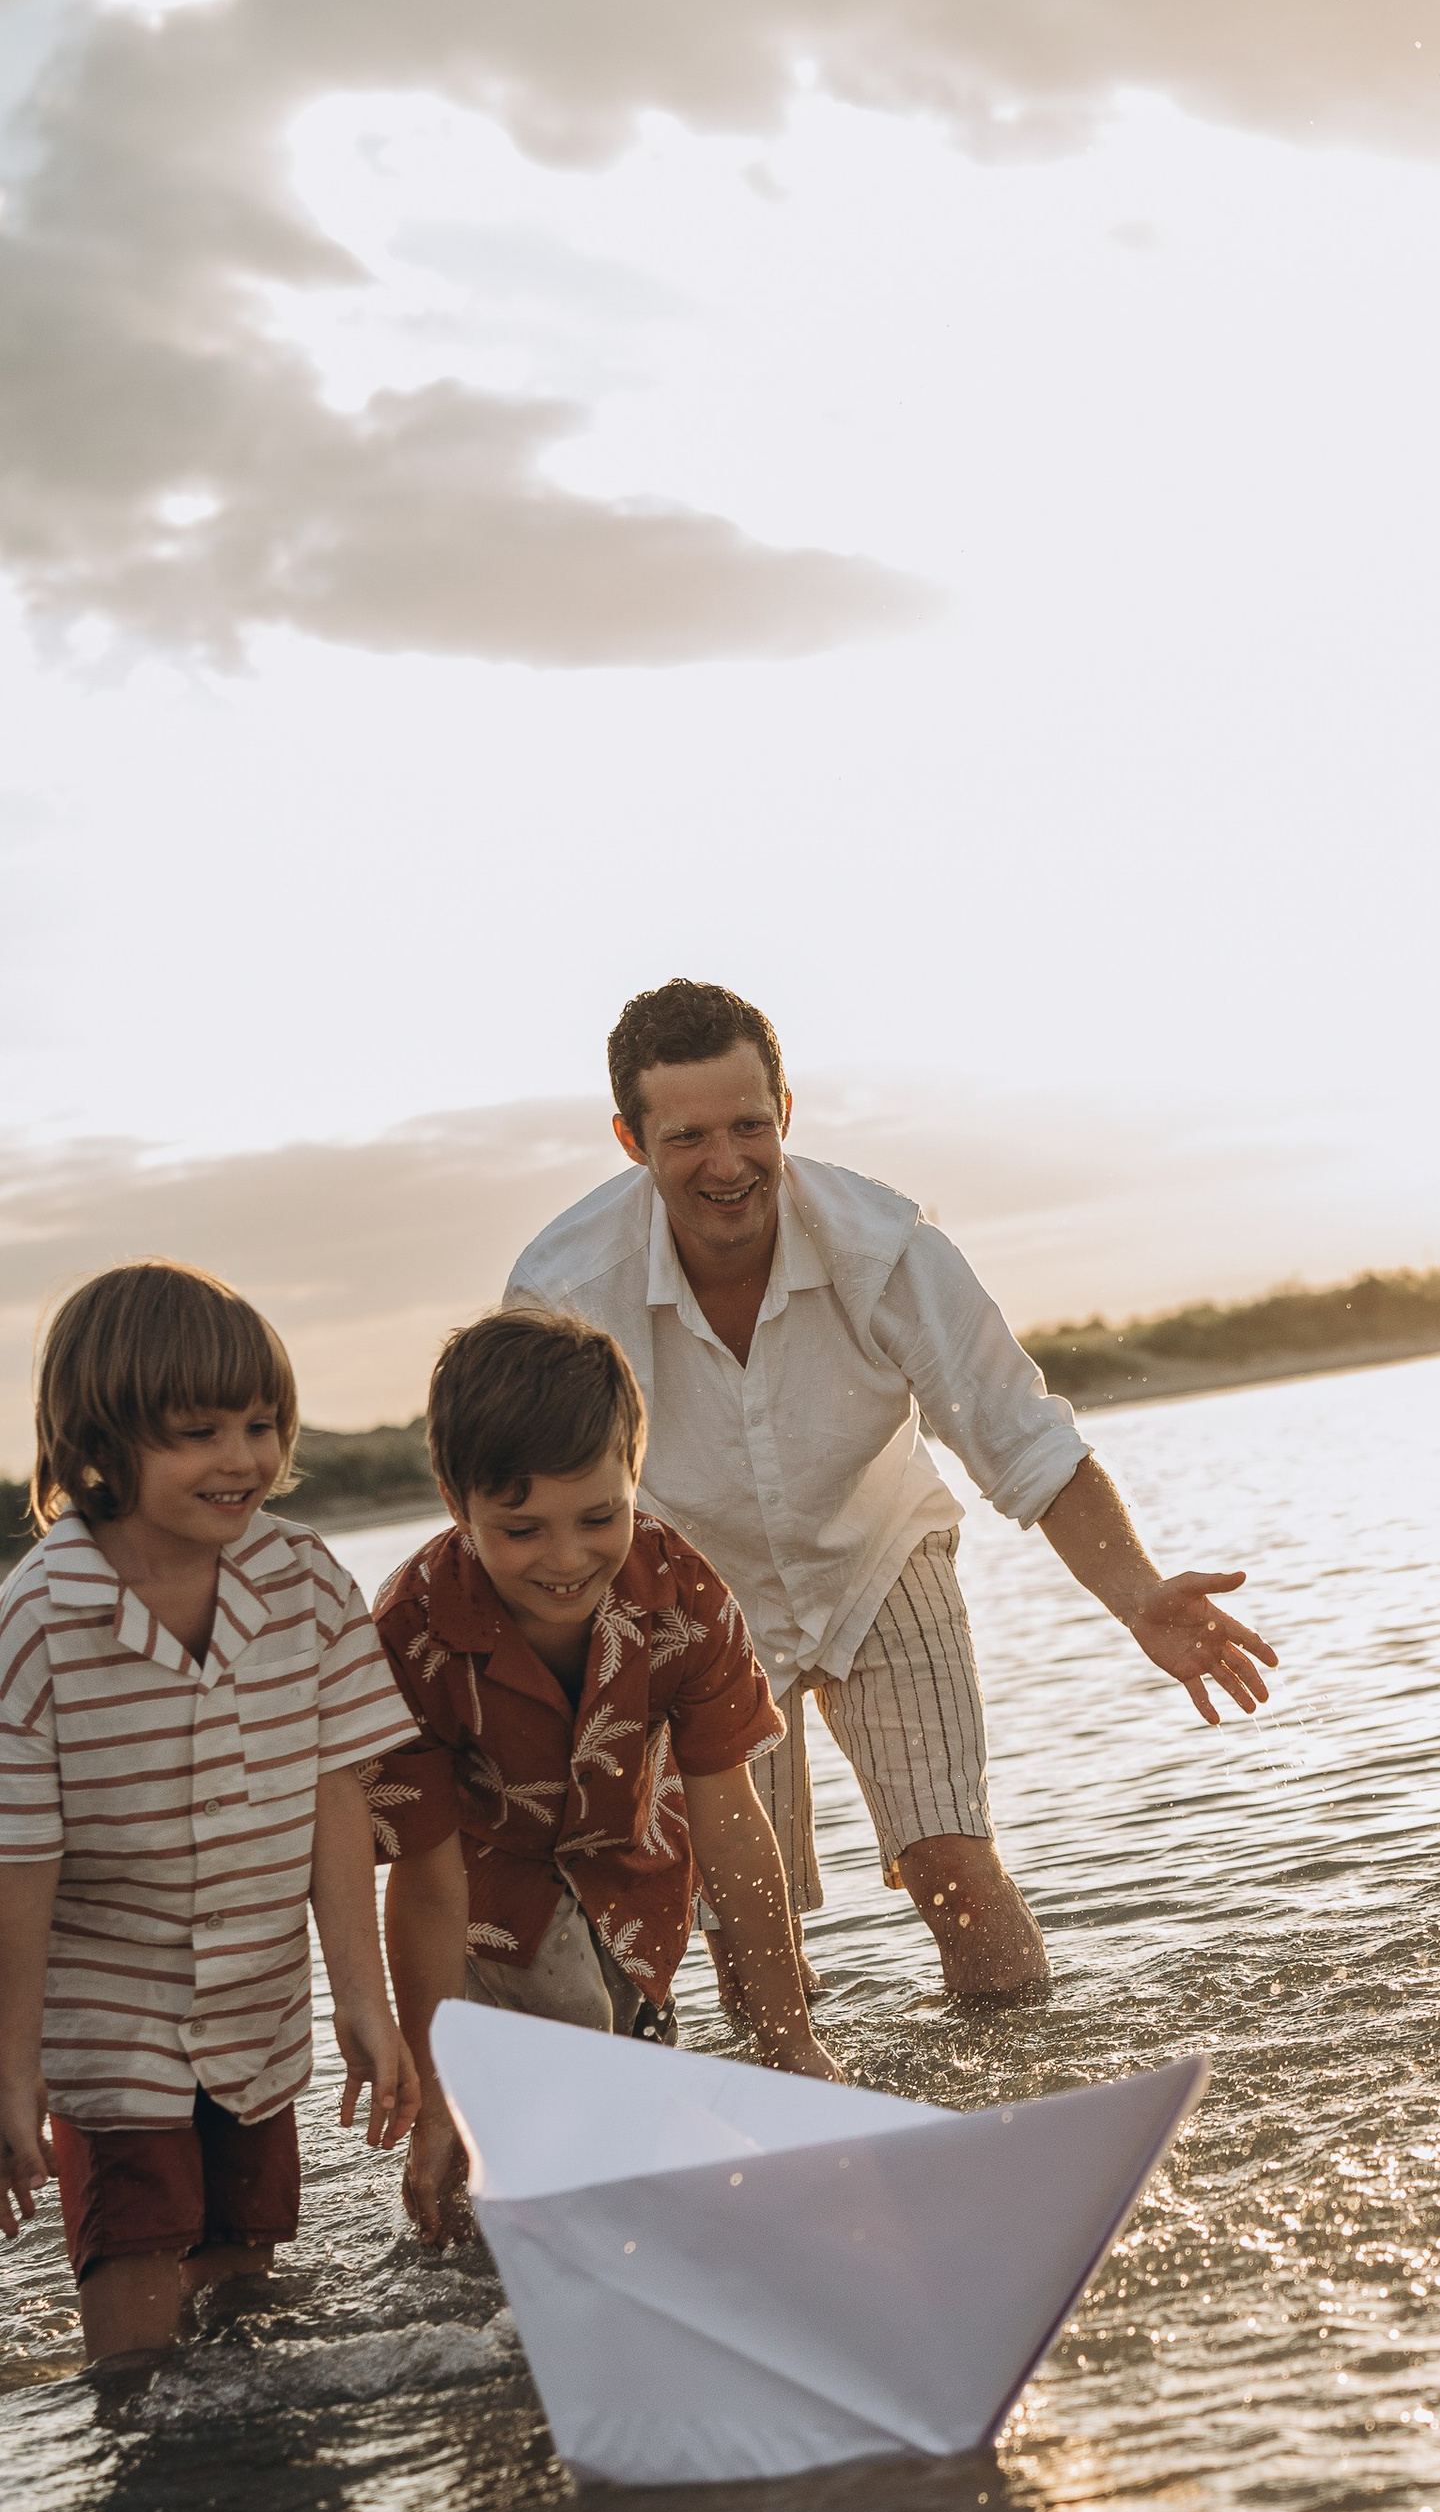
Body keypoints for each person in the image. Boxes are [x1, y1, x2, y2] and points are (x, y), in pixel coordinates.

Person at [505, 978, 1278, 2004]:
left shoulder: (885, 1246)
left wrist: (1138, 1594)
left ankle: (1029, 2072)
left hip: (879, 1555)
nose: (727, 1164)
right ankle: (796, 2089)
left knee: (952, 1866)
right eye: (687, 1137)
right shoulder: (562, 1290)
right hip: (687, 1603)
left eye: (748, 1126)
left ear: (785, 1111)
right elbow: (533, 1518)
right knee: (751, 1936)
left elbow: (1022, 1437)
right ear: (631, 1141)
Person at [0, 1261, 420, 2363]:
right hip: (109, 2024)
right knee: (137, 2322)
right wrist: (11, 2067)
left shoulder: (305, 1582)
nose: (242, 1458)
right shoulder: (38, 1622)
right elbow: (18, 1865)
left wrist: (362, 1998)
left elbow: (334, 1791)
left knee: (246, 2287)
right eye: (199, 1432)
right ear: (102, 1441)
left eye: (261, 1425)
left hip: (257, 2013)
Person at [366, 1303, 841, 2246]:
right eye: (522, 1530)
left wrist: (790, 2040)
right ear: (457, 1505)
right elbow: (423, 1882)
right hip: (487, 1890)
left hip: (633, 1870)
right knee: (569, 2041)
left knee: (640, 2089)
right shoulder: (411, 1635)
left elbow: (730, 1820)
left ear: (635, 1474)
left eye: (599, 1517)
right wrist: (436, 2101)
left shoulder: (683, 1595)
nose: (567, 1557)